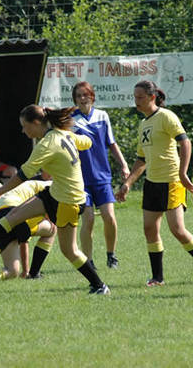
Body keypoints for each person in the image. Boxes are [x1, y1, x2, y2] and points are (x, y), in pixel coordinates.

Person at [0, 104, 110, 294]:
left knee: (69, 250)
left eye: (24, 126)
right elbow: (87, 142)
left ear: (36, 122)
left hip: (68, 201)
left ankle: (99, 285)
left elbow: (22, 175)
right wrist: (77, 133)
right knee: (13, 216)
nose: (23, 131)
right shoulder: (63, 134)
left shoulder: (47, 144)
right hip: (56, 193)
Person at [115, 80, 193, 286]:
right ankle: (158, 278)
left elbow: (185, 142)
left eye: (140, 97)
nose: (136, 101)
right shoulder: (143, 124)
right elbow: (141, 159)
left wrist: (183, 173)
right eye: (135, 97)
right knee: (149, 229)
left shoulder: (166, 116)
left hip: (172, 181)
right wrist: (128, 183)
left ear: (152, 97)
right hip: (152, 183)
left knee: (177, 229)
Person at [71, 81, 130, 269]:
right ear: (74, 99)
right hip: (81, 180)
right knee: (88, 219)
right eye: (78, 96)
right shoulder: (71, 120)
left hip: (102, 177)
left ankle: (111, 255)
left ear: (92, 96)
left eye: (85, 95)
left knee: (109, 218)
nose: (82, 98)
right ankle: (88, 261)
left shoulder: (102, 116)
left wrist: (124, 164)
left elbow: (111, 143)